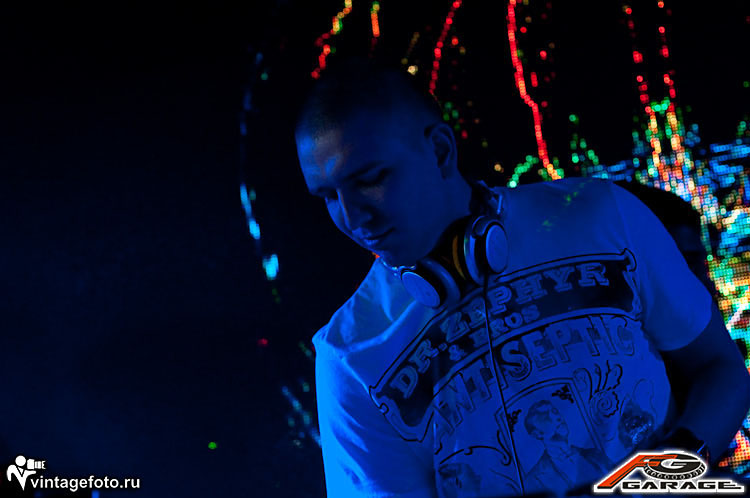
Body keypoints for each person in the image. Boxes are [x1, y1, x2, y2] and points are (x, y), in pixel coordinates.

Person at [294, 57, 750, 497]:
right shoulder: (348, 356)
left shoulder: (601, 215)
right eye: (328, 196)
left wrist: (667, 476)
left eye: (370, 179)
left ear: (440, 151)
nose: (351, 218)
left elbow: (720, 370)